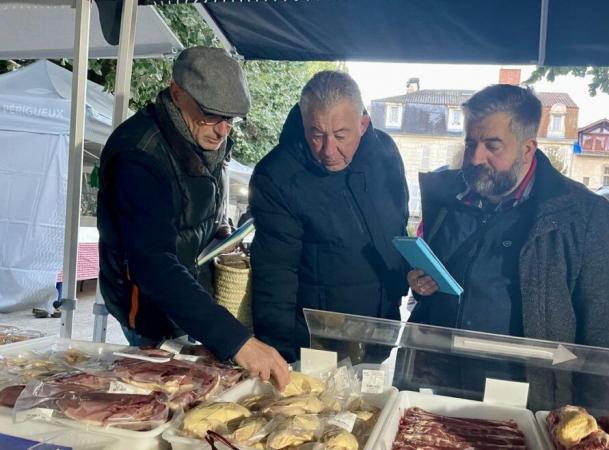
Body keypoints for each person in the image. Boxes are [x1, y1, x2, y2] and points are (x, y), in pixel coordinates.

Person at [404, 84, 609, 412]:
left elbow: (606, 336)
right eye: (470, 142)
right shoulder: (446, 198)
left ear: (528, 148)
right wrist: (422, 282)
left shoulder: (583, 214)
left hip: (529, 400)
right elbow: (436, 276)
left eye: (492, 145)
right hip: (445, 388)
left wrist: (596, 424)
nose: (476, 157)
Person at [97, 47, 289, 389]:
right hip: (149, 311)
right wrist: (236, 340)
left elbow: (190, 219)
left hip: (189, 297)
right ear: (176, 93)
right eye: (212, 115)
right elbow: (153, 263)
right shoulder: (139, 155)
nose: (222, 131)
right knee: (159, 401)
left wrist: (220, 236)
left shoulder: (203, 138)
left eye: (230, 119)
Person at [249, 71, 409, 362]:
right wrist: (278, 355)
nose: (328, 150)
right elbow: (275, 275)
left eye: (340, 136)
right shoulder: (277, 175)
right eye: (316, 134)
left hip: (380, 332)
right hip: (315, 345)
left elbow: (397, 230)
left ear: (363, 124)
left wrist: (406, 276)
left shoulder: (385, 152)